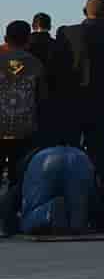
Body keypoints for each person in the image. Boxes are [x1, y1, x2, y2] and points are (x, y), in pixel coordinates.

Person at [55, 0, 104, 182]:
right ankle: (100, 190)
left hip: (72, 101)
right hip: (103, 101)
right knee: (99, 151)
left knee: (70, 149)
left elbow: (57, 68)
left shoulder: (67, 34)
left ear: (85, 11)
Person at [0, 21, 50, 187]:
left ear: (6, 38)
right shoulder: (36, 64)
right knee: (18, 178)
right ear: (28, 40)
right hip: (25, 129)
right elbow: (42, 98)